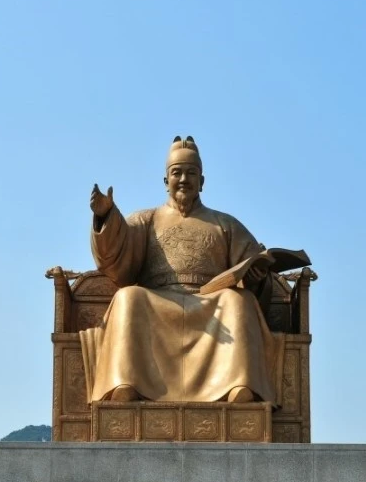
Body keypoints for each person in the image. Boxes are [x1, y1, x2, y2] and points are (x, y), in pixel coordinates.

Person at [79, 136, 282, 404]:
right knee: (128, 297)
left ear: (202, 181)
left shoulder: (225, 224)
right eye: (177, 173)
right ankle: (126, 383)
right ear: (166, 181)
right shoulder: (147, 219)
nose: (184, 179)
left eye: (191, 173)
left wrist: (256, 278)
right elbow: (115, 256)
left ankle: (238, 385)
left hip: (211, 303)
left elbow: (250, 265)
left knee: (239, 301)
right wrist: (106, 215)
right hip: (159, 301)